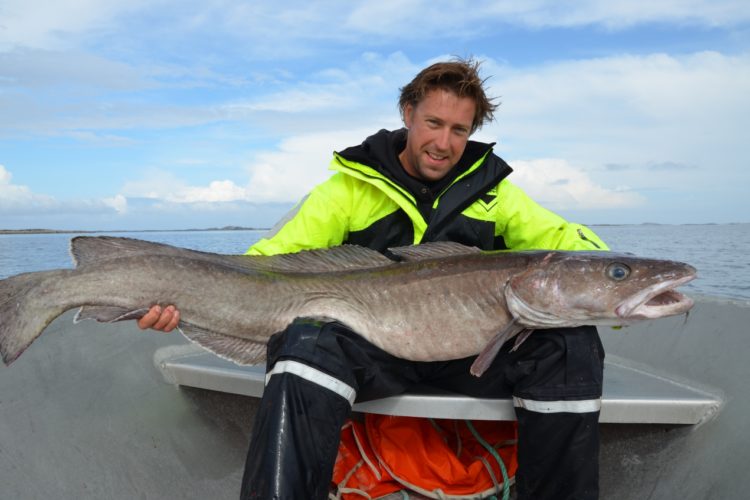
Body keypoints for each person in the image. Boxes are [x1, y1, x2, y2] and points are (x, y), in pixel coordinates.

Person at [139, 58, 608, 499]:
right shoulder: (347, 188)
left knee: (570, 345)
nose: (444, 143)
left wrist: (616, 289)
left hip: (473, 356)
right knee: (305, 341)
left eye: (459, 129)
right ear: (408, 113)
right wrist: (178, 298)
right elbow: (264, 265)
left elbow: (571, 249)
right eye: (433, 123)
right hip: (373, 353)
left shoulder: (495, 192)